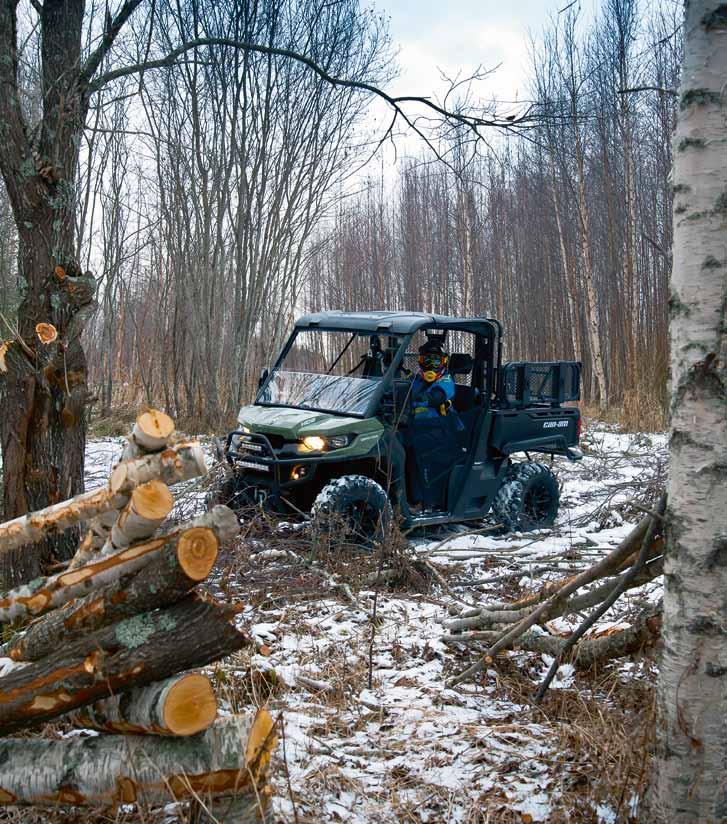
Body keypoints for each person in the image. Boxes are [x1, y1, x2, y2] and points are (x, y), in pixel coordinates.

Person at [410, 337, 459, 422]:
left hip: (444, 427)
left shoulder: (446, 381)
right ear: (421, 361)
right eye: (427, 360)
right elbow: (408, 386)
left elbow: (436, 397)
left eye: (436, 361)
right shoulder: (420, 380)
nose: (431, 365)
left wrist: (412, 399)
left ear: (444, 362)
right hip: (421, 426)